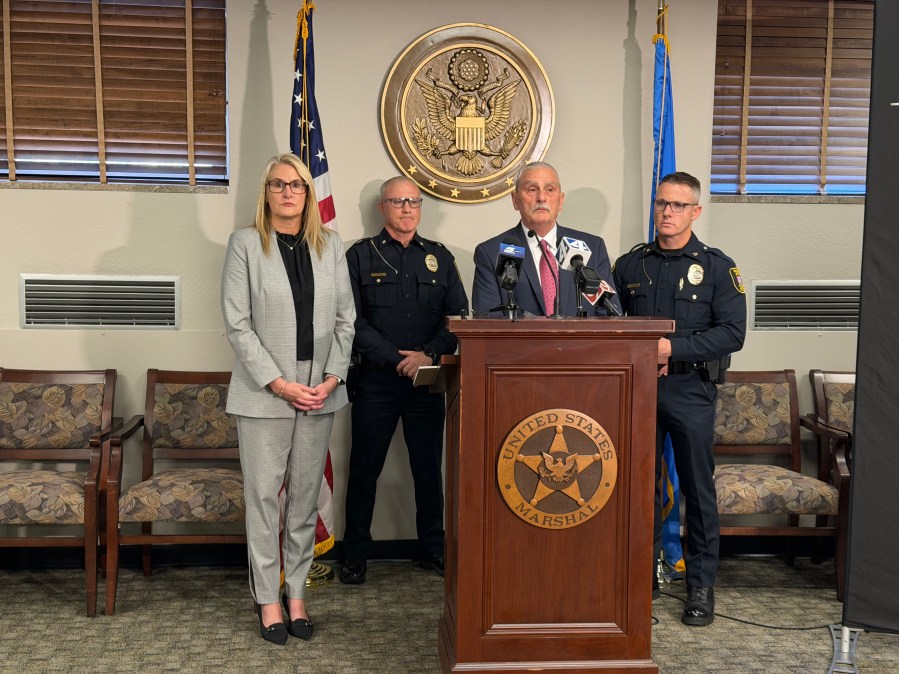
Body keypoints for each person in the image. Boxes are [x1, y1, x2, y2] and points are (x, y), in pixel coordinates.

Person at [221, 153, 355, 644]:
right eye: (277, 184)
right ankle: (268, 599)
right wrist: (279, 383)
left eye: (296, 185)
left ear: (307, 194)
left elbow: (345, 320)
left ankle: (296, 594)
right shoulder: (245, 244)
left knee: (303, 499)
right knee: (264, 501)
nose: (287, 192)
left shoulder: (331, 245)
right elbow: (237, 324)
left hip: (319, 390)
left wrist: (332, 378)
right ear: (266, 192)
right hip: (266, 391)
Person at [612, 171, 746, 627]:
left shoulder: (717, 267)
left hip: (691, 389)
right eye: (661, 203)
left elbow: (732, 333)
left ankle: (700, 587)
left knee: (697, 489)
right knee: (637, 486)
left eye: (678, 205)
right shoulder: (631, 265)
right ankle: (639, 581)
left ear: (695, 211)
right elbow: (611, 323)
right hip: (638, 389)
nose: (667, 212)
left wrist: (673, 349)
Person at [340, 176, 468, 585]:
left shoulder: (439, 257)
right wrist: (395, 358)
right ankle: (355, 553)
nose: (407, 208)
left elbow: (457, 317)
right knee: (364, 470)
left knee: (429, 470)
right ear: (382, 208)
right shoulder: (360, 256)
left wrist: (427, 355)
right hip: (376, 382)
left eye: (414, 201)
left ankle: (433, 547)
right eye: (398, 201)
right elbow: (349, 320)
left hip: (426, 381)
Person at [472, 161, 620, 317]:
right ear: (515, 200)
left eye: (550, 190)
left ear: (561, 200)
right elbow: (487, 319)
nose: (541, 198)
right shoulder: (491, 253)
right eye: (532, 189)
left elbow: (609, 315)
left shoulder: (592, 247)